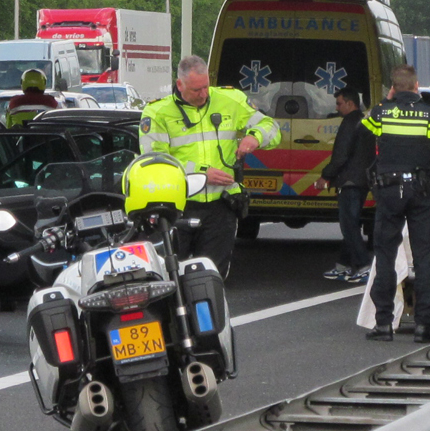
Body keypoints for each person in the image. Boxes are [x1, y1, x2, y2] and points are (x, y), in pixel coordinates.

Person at [139, 55, 281, 277]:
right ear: (180, 85)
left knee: (213, 276)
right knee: (172, 276)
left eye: (206, 86)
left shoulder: (229, 99)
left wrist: (254, 137)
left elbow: (271, 126)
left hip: (221, 206)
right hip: (179, 206)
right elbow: (154, 161)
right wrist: (201, 174)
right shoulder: (157, 113)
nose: (204, 94)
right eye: (196, 90)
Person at [362, 65, 430, 343]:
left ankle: (383, 324)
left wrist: (388, 101)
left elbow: (364, 139)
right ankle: (423, 326)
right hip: (421, 191)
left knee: (386, 256)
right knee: (423, 257)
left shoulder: (380, 113)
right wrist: (429, 170)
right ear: (417, 87)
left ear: (393, 88)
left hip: (389, 192)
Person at [310, 88, 374, 284]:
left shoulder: (349, 123)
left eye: (339, 103)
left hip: (350, 181)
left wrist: (325, 176)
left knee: (349, 226)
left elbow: (341, 155)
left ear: (350, 103)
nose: (337, 108)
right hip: (362, 180)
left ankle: (364, 266)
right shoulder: (364, 122)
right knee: (351, 224)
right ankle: (343, 266)